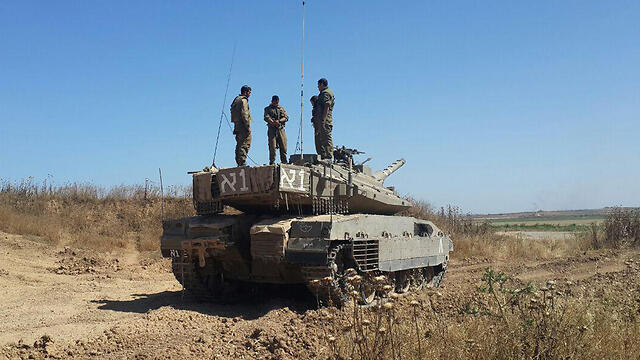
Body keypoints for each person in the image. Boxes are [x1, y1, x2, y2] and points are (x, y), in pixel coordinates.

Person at [230, 85, 252, 166]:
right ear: (245, 92)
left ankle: (239, 162)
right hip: (243, 126)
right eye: (249, 92)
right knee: (245, 143)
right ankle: (242, 162)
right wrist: (248, 126)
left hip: (237, 125)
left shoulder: (236, 100)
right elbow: (245, 113)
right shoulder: (243, 100)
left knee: (239, 144)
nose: (250, 94)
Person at [313, 78, 334, 160]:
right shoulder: (324, 93)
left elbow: (326, 106)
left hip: (325, 119)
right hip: (322, 119)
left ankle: (328, 156)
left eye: (318, 85)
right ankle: (325, 155)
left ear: (322, 84)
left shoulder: (326, 93)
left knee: (326, 137)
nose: (318, 87)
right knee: (322, 138)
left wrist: (323, 119)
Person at [264, 95, 289, 164]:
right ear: (272, 101)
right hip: (272, 130)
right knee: (272, 146)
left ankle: (284, 161)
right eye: (275, 101)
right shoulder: (268, 109)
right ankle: (272, 161)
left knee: (283, 146)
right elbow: (266, 117)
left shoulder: (281, 108)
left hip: (280, 129)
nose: (276, 103)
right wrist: (273, 122)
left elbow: (286, 117)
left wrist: (279, 121)